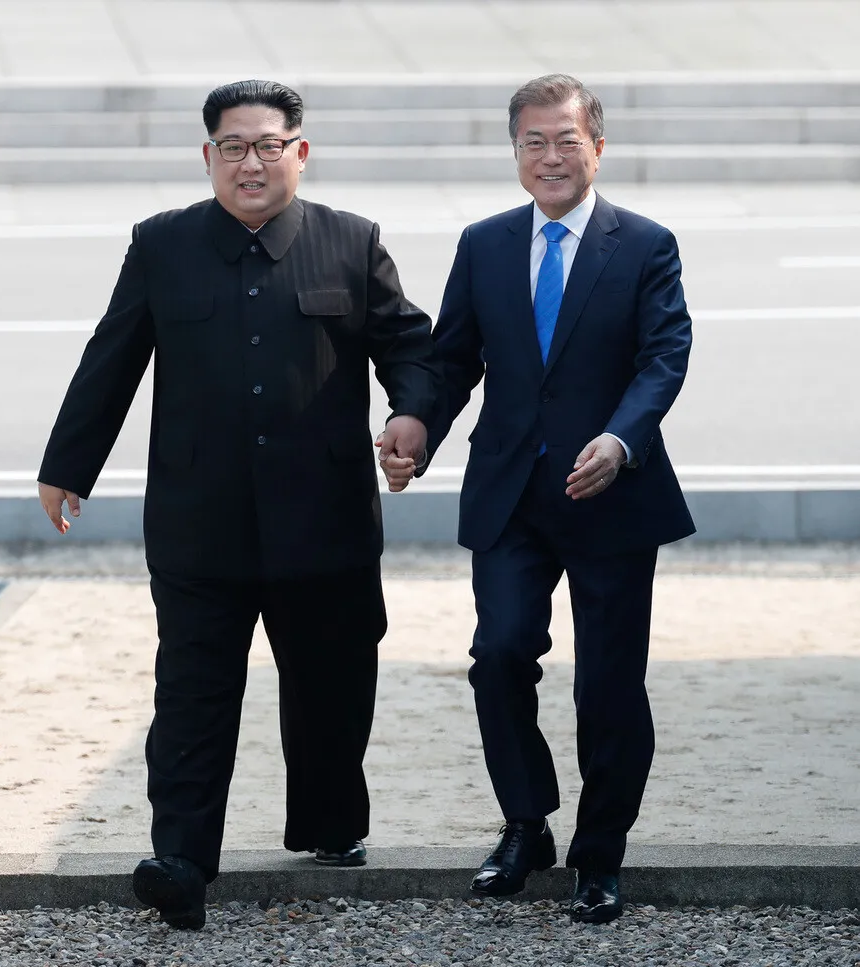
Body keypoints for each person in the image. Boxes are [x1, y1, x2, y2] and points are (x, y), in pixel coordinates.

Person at [37, 79, 436, 930]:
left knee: (332, 681)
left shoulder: (351, 243)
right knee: (191, 690)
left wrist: (411, 413)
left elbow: (410, 344)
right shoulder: (162, 244)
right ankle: (181, 857)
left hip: (323, 515)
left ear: (300, 150)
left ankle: (331, 824)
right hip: (198, 518)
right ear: (207, 154)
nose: (248, 162)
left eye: (266, 145)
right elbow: (111, 358)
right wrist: (68, 464)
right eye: (231, 146)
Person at [381, 73, 695, 923]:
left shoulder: (645, 243)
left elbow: (664, 356)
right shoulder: (484, 243)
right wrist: (414, 423)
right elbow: (451, 361)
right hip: (512, 493)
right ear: (514, 151)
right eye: (533, 141)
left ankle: (601, 857)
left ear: (598, 145)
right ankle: (528, 824)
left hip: (612, 494)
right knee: (500, 656)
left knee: (610, 686)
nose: (550, 156)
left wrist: (621, 440)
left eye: (566, 140)